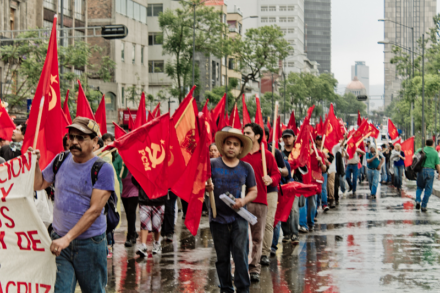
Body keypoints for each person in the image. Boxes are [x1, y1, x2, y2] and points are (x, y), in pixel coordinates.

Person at [31, 117, 115, 292]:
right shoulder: (60, 159)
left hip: (90, 245)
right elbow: (39, 184)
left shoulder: (103, 169)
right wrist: (35, 163)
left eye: (81, 138)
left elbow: (94, 211)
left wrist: (67, 239)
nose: (74, 142)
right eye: (72, 137)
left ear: (94, 141)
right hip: (60, 245)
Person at [205, 126, 257, 293]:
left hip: (239, 219)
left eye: (235, 144)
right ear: (223, 145)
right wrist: (206, 187)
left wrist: (243, 200)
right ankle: (226, 289)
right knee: (222, 259)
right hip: (217, 218)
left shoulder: (246, 168)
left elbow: (253, 191)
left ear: (241, 148)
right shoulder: (211, 164)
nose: (232, 147)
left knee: (241, 257)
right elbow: (197, 185)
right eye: (228, 143)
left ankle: (243, 289)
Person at [242, 123, 281, 282]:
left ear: (257, 136)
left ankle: (254, 269)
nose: (244, 134)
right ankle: (242, 267)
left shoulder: (268, 156)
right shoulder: (241, 155)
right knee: (241, 237)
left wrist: (270, 179)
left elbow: (277, 175)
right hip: (242, 202)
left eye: (248, 132)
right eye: (243, 132)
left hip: (260, 202)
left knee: (257, 237)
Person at [261, 126, 288, 265]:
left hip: (271, 191)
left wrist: (274, 170)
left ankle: (268, 250)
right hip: (255, 191)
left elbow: (285, 171)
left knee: (270, 222)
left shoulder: (274, 152)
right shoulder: (248, 152)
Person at [133, 176, 167, 257]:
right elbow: (135, 179)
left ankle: (157, 243)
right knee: (144, 223)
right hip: (145, 199)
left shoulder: (162, 167)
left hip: (158, 200)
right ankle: (143, 245)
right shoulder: (144, 165)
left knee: (157, 225)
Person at [102, 133, 123, 257]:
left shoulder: (116, 156)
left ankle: (110, 243)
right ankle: (108, 242)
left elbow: (121, 175)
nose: (106, 143)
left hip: (114, 190)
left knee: (110, 216)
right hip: (102, 190)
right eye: (104, 141)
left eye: (108, 141)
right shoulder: (100, 155)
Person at [280, 129, 301, 243]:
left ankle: (295, 233)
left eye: (289, 137)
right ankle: (286, 234)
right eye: (285, 137)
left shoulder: (298, 153)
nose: (287, 139)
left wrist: (299, 164)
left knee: (294, 210)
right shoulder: (280, 154)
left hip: (294, 185)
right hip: (283, 186)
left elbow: (305, 170)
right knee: (284, 210)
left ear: (294, 138)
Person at [414, 139, 440, 212]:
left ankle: (418, 201)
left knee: (419, 187)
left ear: (425, 143)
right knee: (428, 189)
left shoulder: (421, 150)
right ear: (433, 144)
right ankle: (424, 205)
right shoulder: (435, 153)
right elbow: (437, 165)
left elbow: (414, 157)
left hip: (421, 170)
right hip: (430, 171)